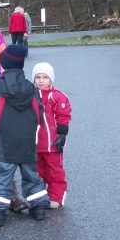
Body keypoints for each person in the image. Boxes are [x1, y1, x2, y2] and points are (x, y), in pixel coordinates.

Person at [0, 44, 50, 226]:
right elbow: (39, 115)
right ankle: (39, 208)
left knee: (2, 177)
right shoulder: (30, 88)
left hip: (4, 144)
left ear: (4, 65)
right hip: (27, 142)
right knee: (32, 176)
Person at [32, 62, 72, 209]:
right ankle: (39, 196)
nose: (41, 81)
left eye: (45, 77)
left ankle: (56, 196)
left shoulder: (57, 97)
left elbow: (64, 116)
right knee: (37, 172)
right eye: (38, 77)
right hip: (35, 144)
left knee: (55, 171)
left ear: (51, 79)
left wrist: (62, 135)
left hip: (52, 143)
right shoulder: (31, 97)